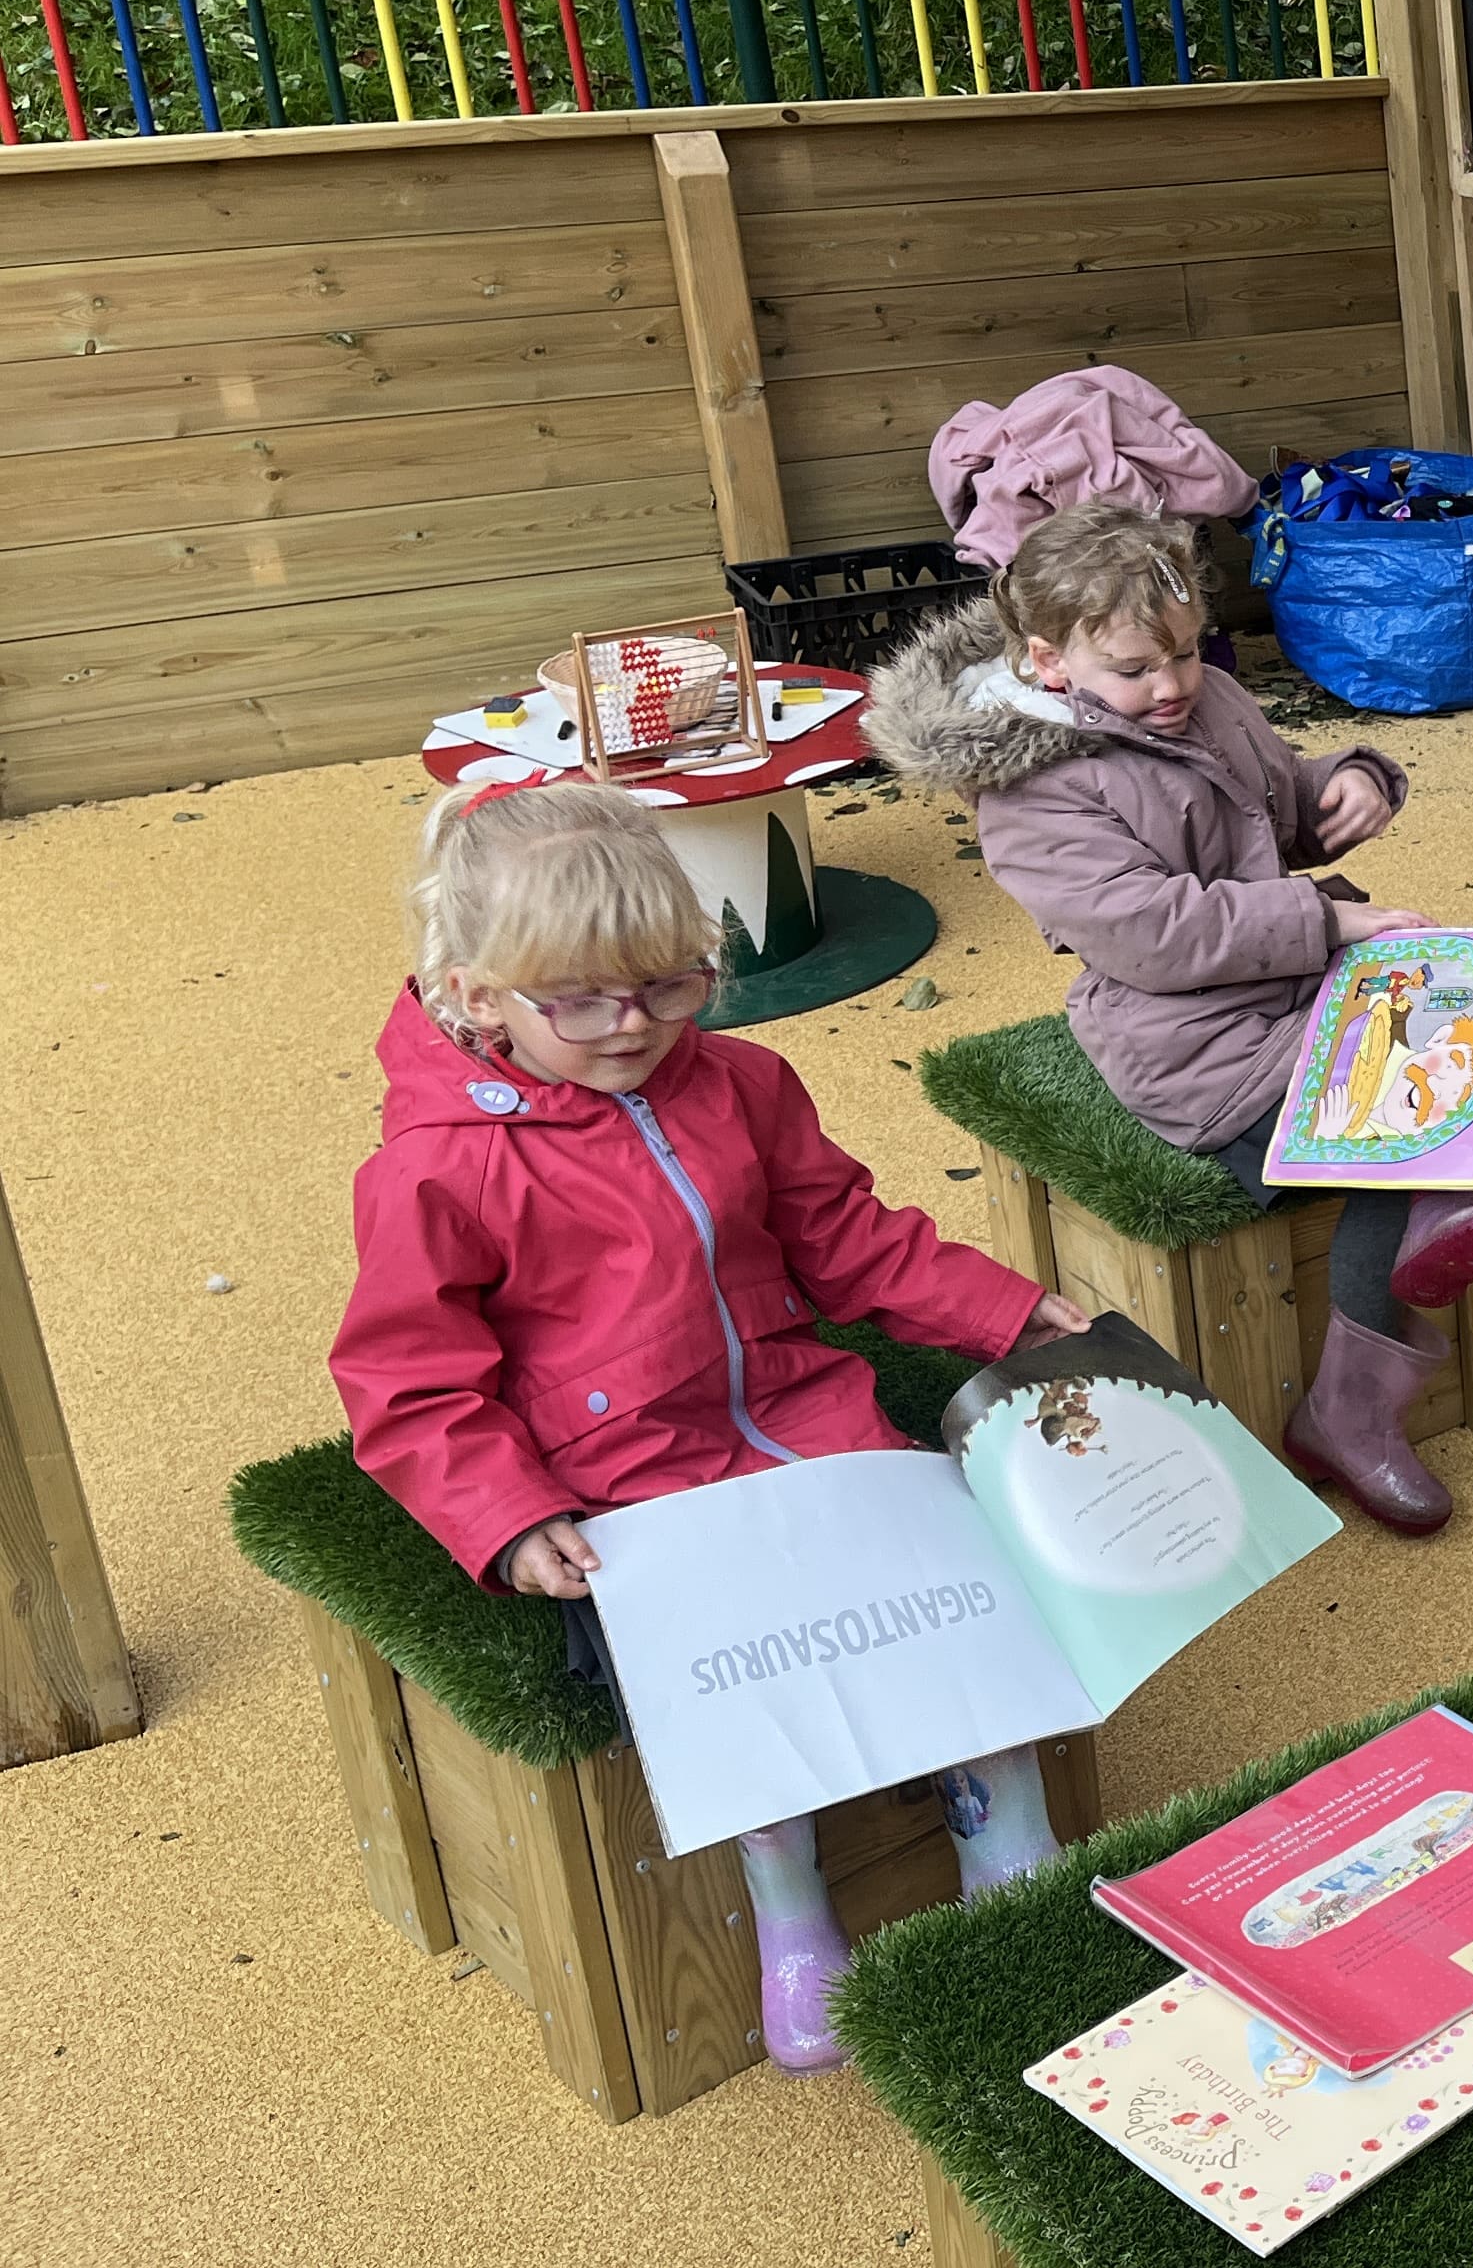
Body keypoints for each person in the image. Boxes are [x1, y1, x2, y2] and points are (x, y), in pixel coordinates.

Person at [329, 781, 1089, 2072]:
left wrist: (1007, 1313)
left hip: (802, 1407)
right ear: (472, 995)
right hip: (623, 1473)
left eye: (671, 984)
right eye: (579, 1001)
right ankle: (790, 1904)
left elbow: (850, 1241)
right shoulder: (436, 1170)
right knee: (736, 1666)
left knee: (953, 1571)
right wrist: (507, 1519)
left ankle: (998, 1817)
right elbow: (410, 1387)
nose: (634, 1028)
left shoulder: (738, 1080)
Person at [866, 505, 1473, 1536]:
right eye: (1137, 668)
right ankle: (1349, 1411)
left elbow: (1272, 806)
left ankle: (1433, 1212)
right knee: (1379, 1129)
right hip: (1192, 1047)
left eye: (1184, 652)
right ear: (1049, 660)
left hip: (1299, 982)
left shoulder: (1204, 698)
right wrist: (1327, 920)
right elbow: (1152, 933)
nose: (1172, 684)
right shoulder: (1029, 794)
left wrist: (1347, 785)